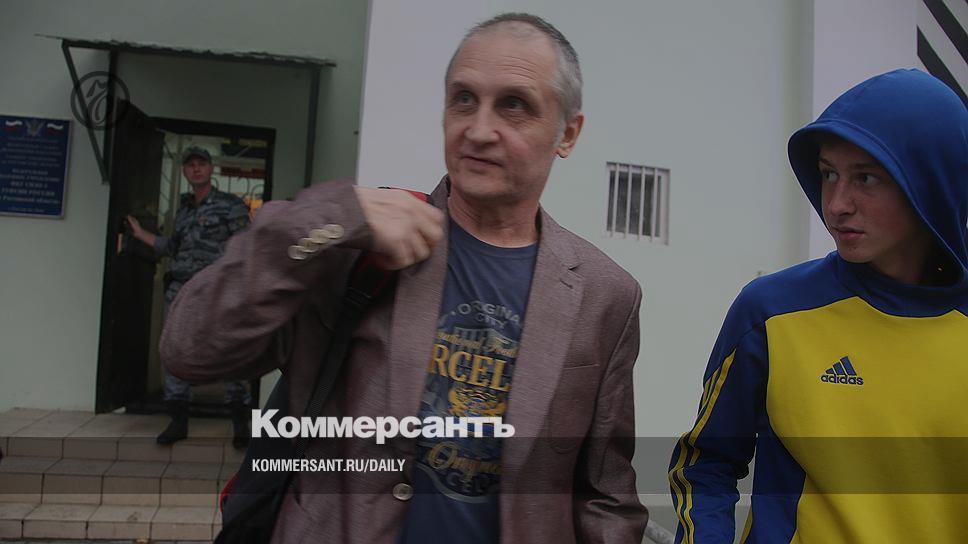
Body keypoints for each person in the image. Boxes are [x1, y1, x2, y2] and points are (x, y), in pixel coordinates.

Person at [161, 13, 648, 543]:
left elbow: (606, 497)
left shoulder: (605, 295)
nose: (479, 130)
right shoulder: (356, 243)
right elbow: (190, 349)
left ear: (567, 133)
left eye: (514, 105)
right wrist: (322, 218)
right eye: (464, 99)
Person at [668, 69, 967, 543]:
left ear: (931, 185)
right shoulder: (770, 311)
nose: (837, 203)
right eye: (829, 174)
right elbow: (704, 464)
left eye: (865, 178)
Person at [127, 145, 252, 448]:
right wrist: (141, 235)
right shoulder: (183, 211)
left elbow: (246, 246)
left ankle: (240, 424)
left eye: (201, 164)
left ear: (211, 169)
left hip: (217, 291)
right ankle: (178, 420)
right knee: (176, 351)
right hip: (182, 291)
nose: (196, 169)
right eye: (190, 165)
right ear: (184, 171)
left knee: (230, 351)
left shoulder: (230, 205)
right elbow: (172, 247)